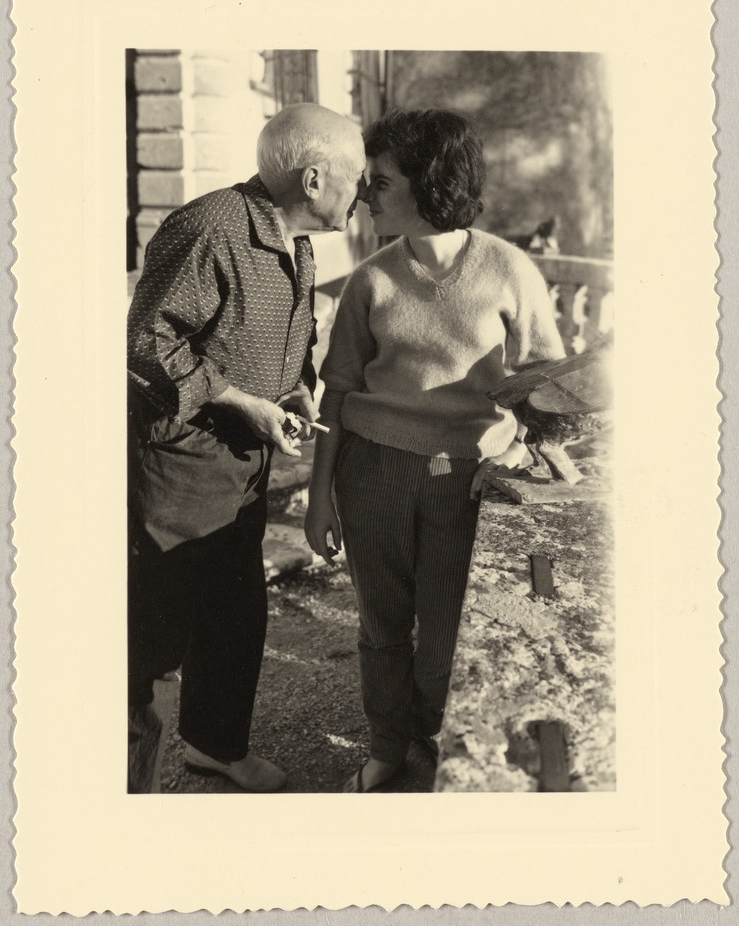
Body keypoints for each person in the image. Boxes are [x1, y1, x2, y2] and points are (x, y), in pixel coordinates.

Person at [304, 108, 566, 792]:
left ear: (429, 183)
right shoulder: (370, 280)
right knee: (382, 625)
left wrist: (519, 448)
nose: (364, 195)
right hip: (373, 473)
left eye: (381, 181)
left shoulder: (508, 270)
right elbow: (337, 395)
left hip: (467, 481)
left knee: (449, 634)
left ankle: (435, 736)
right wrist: (318, 497)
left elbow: (549, 384)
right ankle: (388, 746)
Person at [128, 103, 366, 792]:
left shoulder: (298, 241)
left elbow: (283, 340)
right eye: (355, 176)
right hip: (180, 470)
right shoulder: (209, 228)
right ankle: (120, 803)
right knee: (152, 643)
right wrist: (240, 402)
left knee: (234, 617)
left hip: (243, 467)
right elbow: (146, 345)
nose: (361, 191)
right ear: (314, 179)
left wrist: (293, 392)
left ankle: (214, 745)